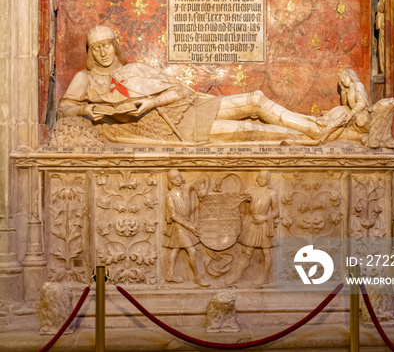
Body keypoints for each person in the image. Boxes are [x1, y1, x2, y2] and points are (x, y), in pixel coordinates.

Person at [56, 25, 364, 145]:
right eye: (96, 48)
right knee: (250, 132)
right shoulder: (86, 79)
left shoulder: (135, 69)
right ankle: (320, 137)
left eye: (107, 45)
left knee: (255, 100)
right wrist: (93, 109)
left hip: (186, 109)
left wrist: (151, 102)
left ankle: (314, 126)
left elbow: (180, 91)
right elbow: (66, 109)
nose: (103, 52)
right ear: (90, 51)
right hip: (168, 131)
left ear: (115, 46)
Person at [224, 171, 279, 285]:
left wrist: (265, 218)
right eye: (260, 178)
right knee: (247, 252)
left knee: (266, 252)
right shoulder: (251, 191)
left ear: (268, 180)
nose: (262, 180)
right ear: (257, 179)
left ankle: (265, 278)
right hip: (252, 223)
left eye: (264, 178)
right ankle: (236, 276)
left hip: (263, 224)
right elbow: (239, 201)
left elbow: (276, 211)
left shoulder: (271, 193)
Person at [163, 169, 209, 286]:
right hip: (179, 226)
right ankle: (197, 277)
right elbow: (173, 215)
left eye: (178, 177)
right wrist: (189, 226)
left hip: (186, 223)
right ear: (170, 181)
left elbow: (203, 178)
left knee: (176, 249)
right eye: (174, 179)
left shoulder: (186, 188)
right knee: (192, 251)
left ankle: (170, 274)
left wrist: (204, 189)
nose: (177, 180)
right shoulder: (170, 196)